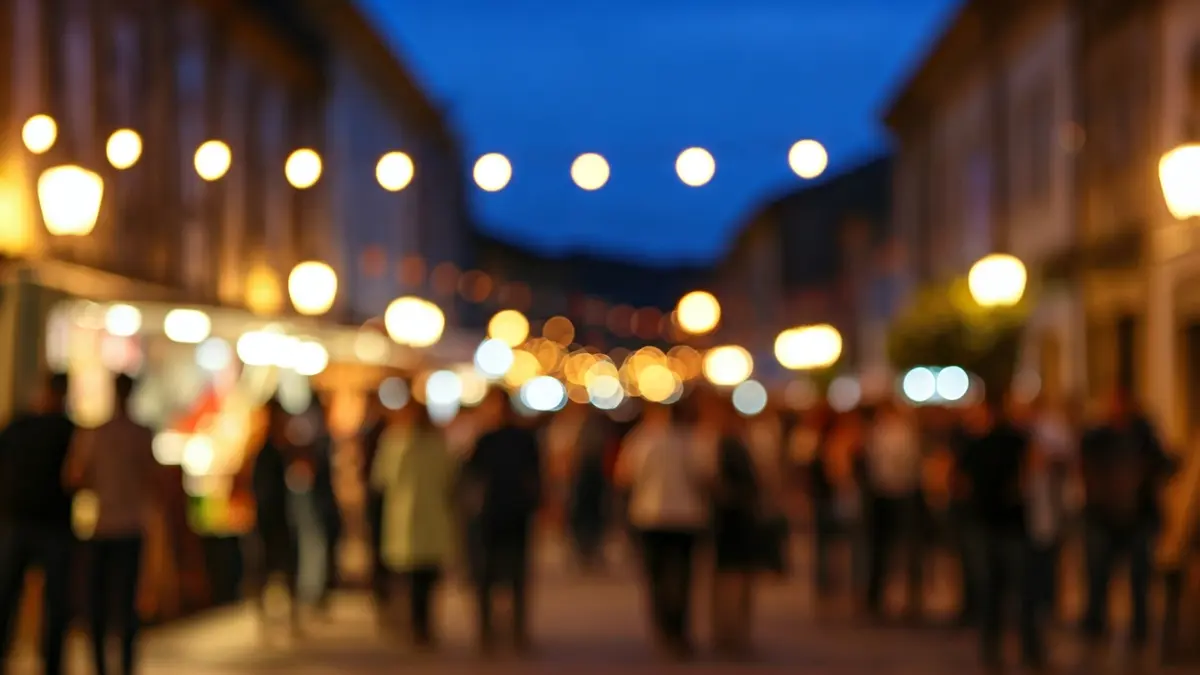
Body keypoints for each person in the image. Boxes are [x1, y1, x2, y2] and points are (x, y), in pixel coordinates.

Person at [64, 374, 158, 675]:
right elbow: (152, 480)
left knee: (100, 604)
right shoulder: (140, 434)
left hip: (104, 526)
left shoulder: (97, 434)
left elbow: (75, 477)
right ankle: (125, 666)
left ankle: (102, 667)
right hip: (127, 526)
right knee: (125, 603)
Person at [1080, 390, 1173, 657]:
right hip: (1103, 517)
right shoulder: (1097, 437)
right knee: (1098, 576)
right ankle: (1095, 625)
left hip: (1138, 518)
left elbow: (1163, 465)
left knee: (1139, 579)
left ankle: (1139, 630)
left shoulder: (1145, 436)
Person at [615, 398, 709, 659]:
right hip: (686, 517)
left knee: (655, 576)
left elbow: (623, 474)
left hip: (650, 516)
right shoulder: (691, 440)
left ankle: (663, 627)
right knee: (683, 577)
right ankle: (678, 630)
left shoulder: (641, 440)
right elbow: (705, 474)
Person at [0, 373, 76, 675]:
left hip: (29, 522)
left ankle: (50, 662)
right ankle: (50, 662)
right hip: (35, 523)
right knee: (26, 598)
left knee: (15, 596)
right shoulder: (58, 429)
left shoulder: (25, 427)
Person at [958, 397, 1040, 670]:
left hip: (1007, 524)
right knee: (994, 591)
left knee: (1017, 590)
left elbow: (1032, 466)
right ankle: (998, 651)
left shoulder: (1010, 440)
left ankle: (1024, 650)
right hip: (986, 524)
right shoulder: (973, 443)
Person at [370, 402, 457, 649]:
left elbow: (382, 479)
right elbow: (449, 478)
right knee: (422, 578)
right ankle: (420, 626)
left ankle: (418, 625)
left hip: (413, 520)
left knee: (416, 577)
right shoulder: (423, 444)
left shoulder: (398, 443)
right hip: (424, 520)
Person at [462, 389, 542, 653]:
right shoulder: (484, 439)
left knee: (516, 575)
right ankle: (487, 629)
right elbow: (471, 476)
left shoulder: (522, 439)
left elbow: (535, 476)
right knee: (485, 575)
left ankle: (517, 629)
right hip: (489, 516)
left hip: (515, 514)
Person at [862, 400, 924, 619]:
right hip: (884, 494)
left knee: (904, 548)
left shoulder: (904, 433)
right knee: (881, 549)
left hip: (901, 493)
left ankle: (910, 598)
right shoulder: (878, 433)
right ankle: (876, 597)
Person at [709, 398, 760, 657]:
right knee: (732, 580)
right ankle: (730, 633)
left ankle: (729, 632)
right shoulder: (728, 446)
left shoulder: (724, 444)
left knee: (730, 579)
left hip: (730, 522)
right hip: (732, 522)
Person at [251, 398, 302, 637]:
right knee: (273, 568)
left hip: (276, 516)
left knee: (280, 568)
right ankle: (270, 620)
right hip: (270, 518)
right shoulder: (268, 450)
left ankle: (285, 618)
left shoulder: (277, 448)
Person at [567, 410, 611, 572]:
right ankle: (586, 550)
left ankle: (588, 550)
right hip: (586, 480)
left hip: (591, 480)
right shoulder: (591, 430)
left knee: (590, 516)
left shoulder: (590, 431)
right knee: (587, 517)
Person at [359, 393, 391, 609]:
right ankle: (382, 583)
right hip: (378, 494)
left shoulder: (385, 433)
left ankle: (382, 583)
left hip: (381, 494)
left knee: (380, 540)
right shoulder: (381, 432)